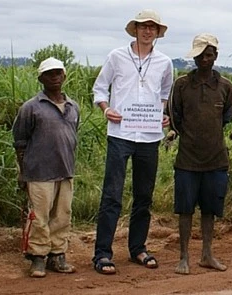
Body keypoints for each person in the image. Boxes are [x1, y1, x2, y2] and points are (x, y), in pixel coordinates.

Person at [91, 9, 174, 275]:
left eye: (152, 28)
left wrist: (163, 116)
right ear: (135, 30)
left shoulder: (164, 62)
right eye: (143, 27)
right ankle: (102, 253)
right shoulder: (116, 57)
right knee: (112, 195)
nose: (147, 31)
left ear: (157, 33)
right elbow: (100, 88)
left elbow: (165, 94)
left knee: (143, 196)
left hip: (149, 137)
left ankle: (138, 247)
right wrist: (106, 109)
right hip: (120, 134)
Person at [167, 33, 232, 275]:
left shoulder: (226, 86)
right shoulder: (182, 85)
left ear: (215, 56)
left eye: (208, 55)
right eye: (199, 56)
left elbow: (226, 117)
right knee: (185, 210)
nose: (204, 60)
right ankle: (183, 257)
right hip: (187, 159)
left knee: (210, 209)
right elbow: (174, 116)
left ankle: (207, 254)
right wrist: (187, 134)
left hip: (216, 159)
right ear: (194, 58)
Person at [12, 57, 79, 278]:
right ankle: (38, 257)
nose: (55, 77)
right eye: (49, 74)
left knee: (63, 215)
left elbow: (72, 137)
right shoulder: (31, 108)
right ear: (41, 78)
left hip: (65, 170)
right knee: (39, 216)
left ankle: (57, 255)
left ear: (64, 76)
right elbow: (20, 142)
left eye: (58, 73)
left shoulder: (72, 106)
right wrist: (23, 172)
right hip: (38, 172)